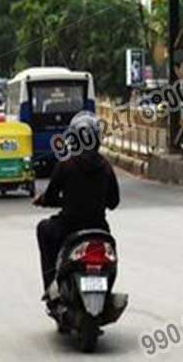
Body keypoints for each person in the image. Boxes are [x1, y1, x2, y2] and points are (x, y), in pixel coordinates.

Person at [34, 112, 120, 301]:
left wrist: (42, 200)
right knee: (111, 251)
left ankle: (51, 285)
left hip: (68, 228)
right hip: (99, 227)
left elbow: (50, 197)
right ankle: (108, 291)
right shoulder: (106, 167)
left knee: (43, 228)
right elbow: (114, 202)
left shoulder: (65, 165)